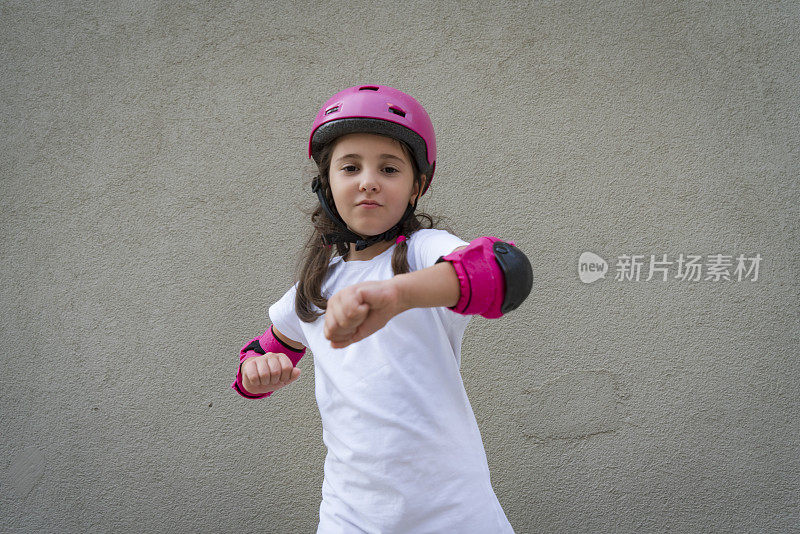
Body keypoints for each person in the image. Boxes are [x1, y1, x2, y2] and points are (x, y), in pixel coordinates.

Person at [231, 85, 532, 533]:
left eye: (388, 168)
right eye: (350, 167)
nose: (368, 180)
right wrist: (258, 372)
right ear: (326, 184)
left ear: (417, 187)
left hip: (451, 511)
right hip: (350, 514)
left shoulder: (422, 253)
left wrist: (397, 295)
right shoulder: (316, 285)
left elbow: (507, 272)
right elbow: (266, 349)